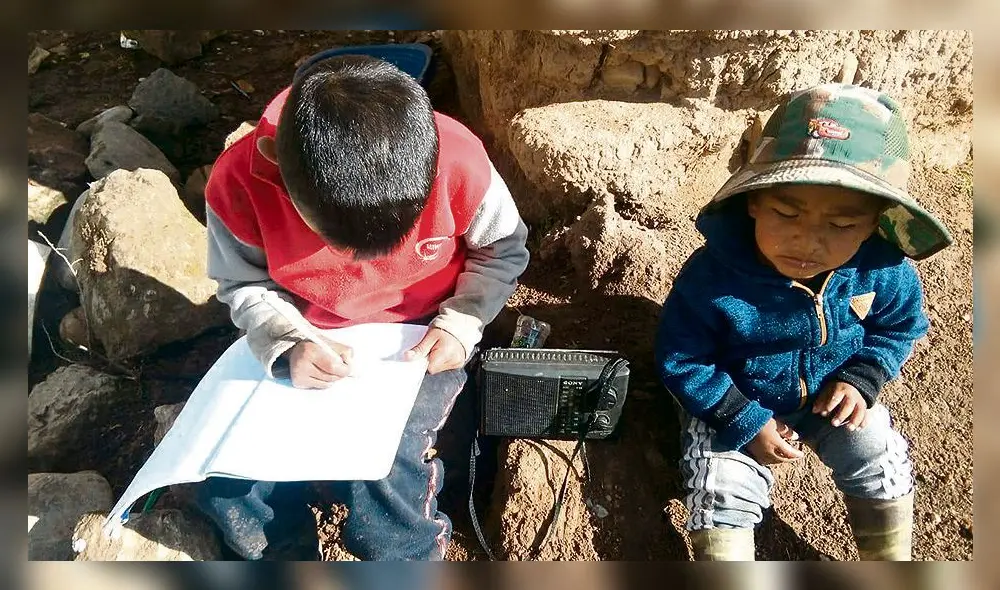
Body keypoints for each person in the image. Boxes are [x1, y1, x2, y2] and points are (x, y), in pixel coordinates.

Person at [197, 53, 529, 560]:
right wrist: (287, 342)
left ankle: (407, 561)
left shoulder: (460, 160)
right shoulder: (237, 184)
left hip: (422, 335)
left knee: (386, 462)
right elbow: (243, 283)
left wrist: (462, 321)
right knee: (231, 479)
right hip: (304, 330)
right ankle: (282, 553)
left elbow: (502, 249)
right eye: (338, 242)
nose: (362, 265)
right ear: (276, 167)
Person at [654, 83, 952, 561]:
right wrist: (743, 418)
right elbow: (683, 358)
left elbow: (899, 327)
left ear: (875, 222)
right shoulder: (711, 277)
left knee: (880, 455)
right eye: (787, 213)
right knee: (720, 490)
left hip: (830, 398)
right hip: (735, 398)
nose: (809, 241)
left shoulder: (883, 269)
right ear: (753, 200)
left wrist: (860, 379)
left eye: (841, 225)